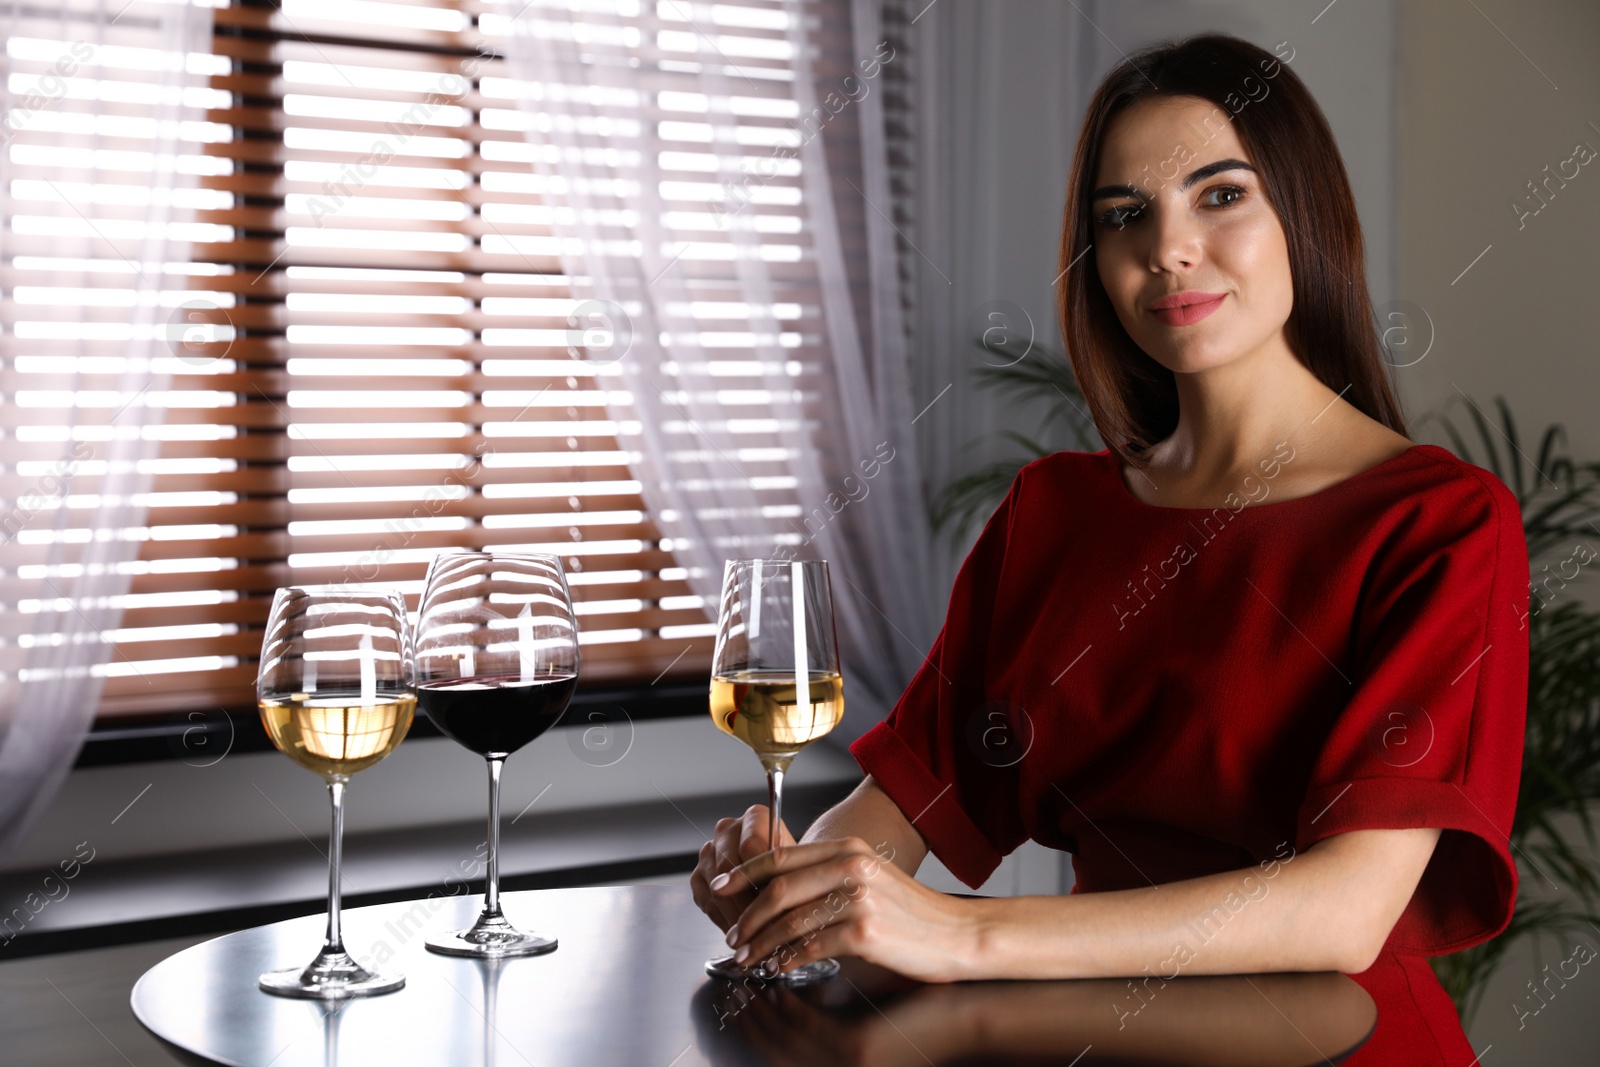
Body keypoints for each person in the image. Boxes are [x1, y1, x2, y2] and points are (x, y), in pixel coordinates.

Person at [690, 32, 1528, 1066]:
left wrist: (960, 932)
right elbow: (899, 811)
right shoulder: (1052, 512)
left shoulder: (1437, 520)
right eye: (1124, 217)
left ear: (1304, 214)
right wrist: (793, 879)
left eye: (1219, 196)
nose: (1166, 249)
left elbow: (1345, 909)